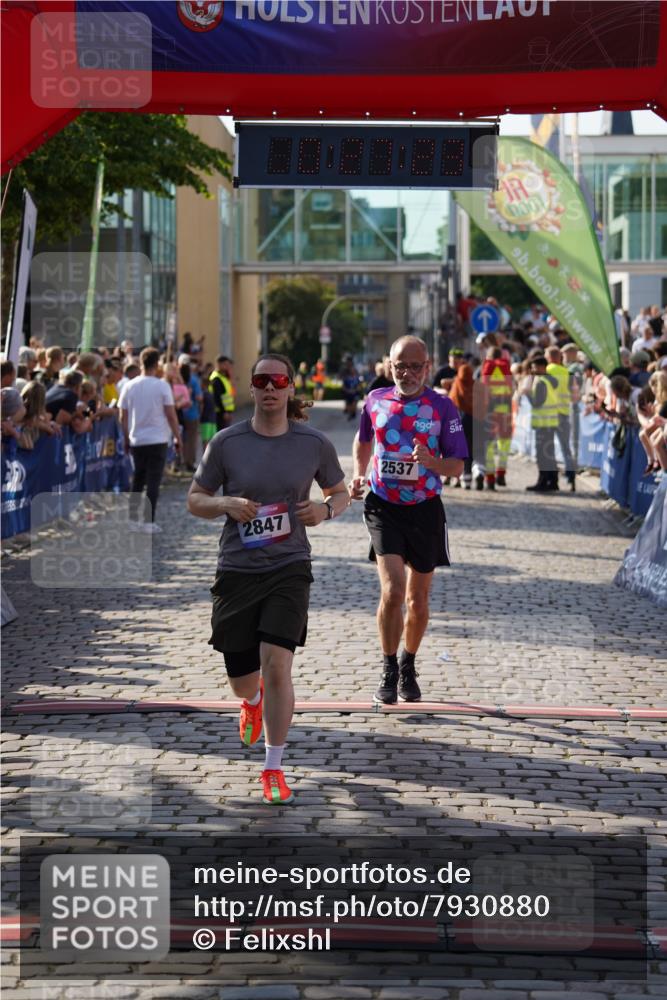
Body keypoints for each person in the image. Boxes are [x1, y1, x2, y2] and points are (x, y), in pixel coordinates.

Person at [187, 353, 348, 805]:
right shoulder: (226, 442)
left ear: (291, 388)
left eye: (280, 379)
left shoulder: (313, 443)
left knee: (278, 663)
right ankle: (251, 701)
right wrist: (225, 504)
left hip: (289, 566)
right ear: (252, 388)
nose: (271, 387)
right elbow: (195, 499)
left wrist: (323, 510)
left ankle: (273, 766)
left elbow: (339, 493)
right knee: (243, 677)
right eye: (262, 380)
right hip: (237, 569)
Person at [349, 336, 467, 705]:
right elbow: (363, 440)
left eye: (415, 366)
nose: (407, 373)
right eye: (400, 366)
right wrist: (358, 472)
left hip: (425, 508)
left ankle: (408, 662)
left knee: (417, 599)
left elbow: (458, 465)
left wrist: (433, 463)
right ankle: (388, 666)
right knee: (393, 590)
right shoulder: (375, 400)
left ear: (427, 367)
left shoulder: (443, 407)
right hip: (383, 505)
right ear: (389, 365)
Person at [119, 347, 181, 532]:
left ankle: (132, 519)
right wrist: (178, 437)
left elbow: (123, 415)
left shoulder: (129, 385)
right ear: (157, 364)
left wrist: (125, 437)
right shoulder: (162, 385)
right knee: (153, 480)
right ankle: (148, 521)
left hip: (137, 439)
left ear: (141, 363)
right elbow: (171, 415)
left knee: (137, 479)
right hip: (158, 439)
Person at [522, 355, 560, 492]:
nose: (532, 369)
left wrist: (527, 394)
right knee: (549, 453)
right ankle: (553, 481)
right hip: (551, 422)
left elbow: (537, 403)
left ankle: (543, 481)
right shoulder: (551, 380)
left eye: (534, 366)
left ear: (541, 367)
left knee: (542, 455)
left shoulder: (541, 382)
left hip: (543, 423)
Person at [479, 346, 513, 489]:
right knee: (504, 444)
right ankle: (501, 474)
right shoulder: (506, 369)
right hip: (504, 410)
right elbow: (512, 390)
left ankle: (491, 478)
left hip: (490, 411)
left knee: (490, 446)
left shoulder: (487, 368)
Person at [546, 346, 577, 492]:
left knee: (548, 446)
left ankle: (552, 478)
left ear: (550, 357)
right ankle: (571, 476)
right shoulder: (567, 372)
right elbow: (573, 392)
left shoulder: (547, 370)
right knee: (566, 447)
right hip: (564, 413)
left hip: (550, 413)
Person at [209, 355, 236, 430]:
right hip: (221, 412)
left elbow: (230, 393)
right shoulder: (216, 378)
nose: (228, 367)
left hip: (227, 411)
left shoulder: (224, 377)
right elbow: (217, 397)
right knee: (222, 434)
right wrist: (224, 412)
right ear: (219, 364)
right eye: (225, 364)